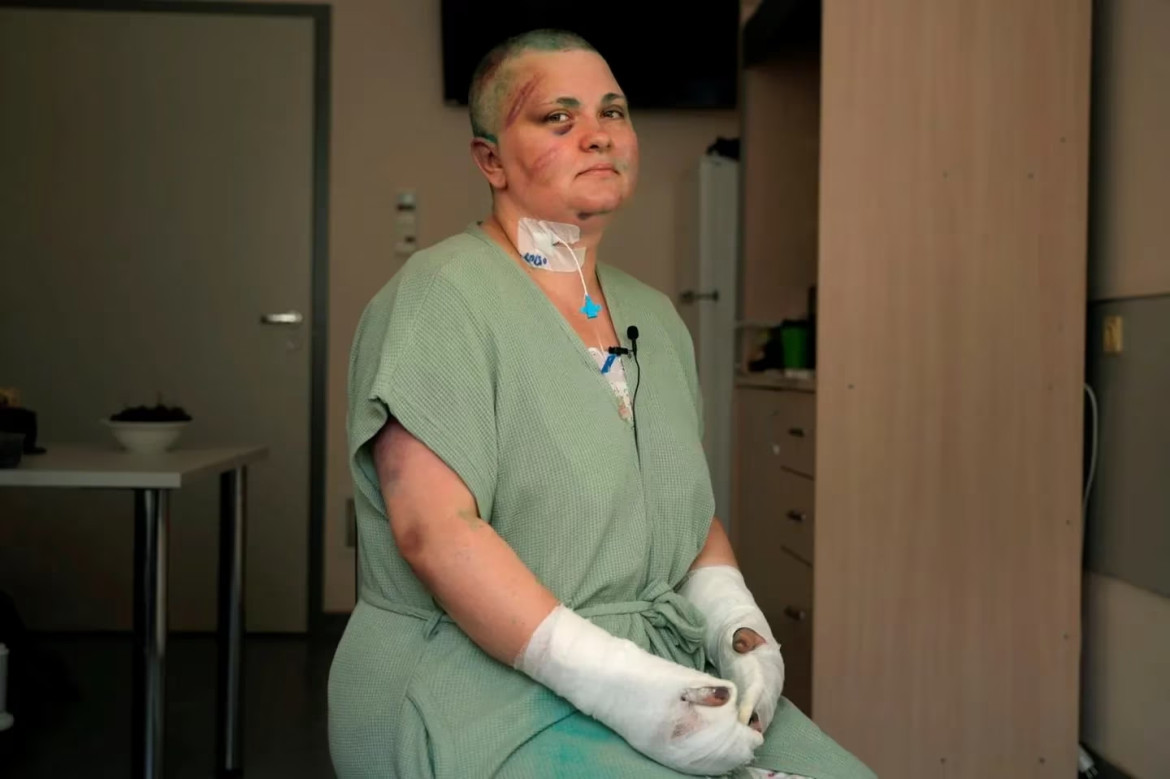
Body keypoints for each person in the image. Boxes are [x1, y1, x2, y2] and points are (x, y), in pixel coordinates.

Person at [328, 29, 876, 779]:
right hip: (475, 685)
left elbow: (680, 511)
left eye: (612, 113)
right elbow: (434, 532)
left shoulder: (655, 318)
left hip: (659, 672)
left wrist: (738, 627)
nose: (597, 135)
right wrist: (623, 689)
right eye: (557, 118)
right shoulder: (440, 300)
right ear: (490, 159)